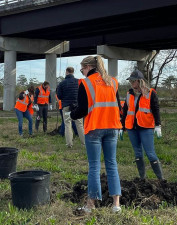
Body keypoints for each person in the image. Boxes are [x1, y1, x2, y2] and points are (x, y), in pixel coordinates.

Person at [70, 55, 122, 213]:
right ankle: (116, 205)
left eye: (82, 69)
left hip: (94, 128)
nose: (82, 73)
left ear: (88, 67)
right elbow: (118, 105)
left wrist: (71, 115)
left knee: (94, 166)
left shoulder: (85, 83)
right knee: (112, 164)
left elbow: (82, 109)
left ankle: (91, 205)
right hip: (112, 127)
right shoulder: (113, 81)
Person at [121, 69, 164, 180]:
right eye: (130, 81)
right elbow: (125, 110)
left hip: (146, 127)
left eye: (133, 81)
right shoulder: (129, 94)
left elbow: (156, 109)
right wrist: (121, 126)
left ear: (139, 81)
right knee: (138, 153)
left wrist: (158, 125)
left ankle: (161, 180)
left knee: (150, 153)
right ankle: (142, 178)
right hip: (132, 127)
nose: (131, 83)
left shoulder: (150, 93)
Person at [57, 67, 85, 148]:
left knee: (67, 124)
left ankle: (69, 144)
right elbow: (82, 94)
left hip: (66, 106)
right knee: (79, 124)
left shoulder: (62, 83)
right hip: (77, 106)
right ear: (73, 72)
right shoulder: (79, 82)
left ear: (66, 72)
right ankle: (84, 143)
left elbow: (59, 96)